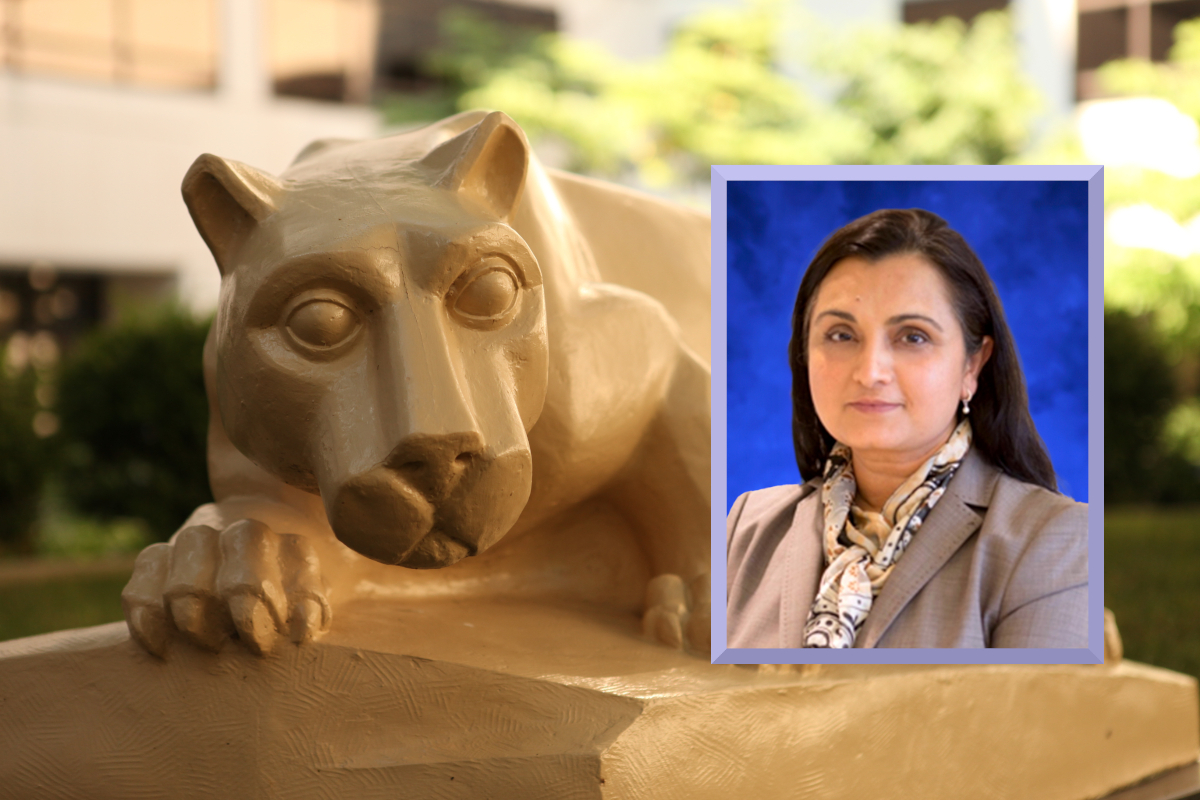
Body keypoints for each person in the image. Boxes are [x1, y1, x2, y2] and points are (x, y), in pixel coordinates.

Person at [726, 208, 1087, 649]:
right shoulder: (748, 528)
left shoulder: (1056, 541)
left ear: (973, 364)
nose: (870, 371)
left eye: (913, 337)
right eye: (841, 334)